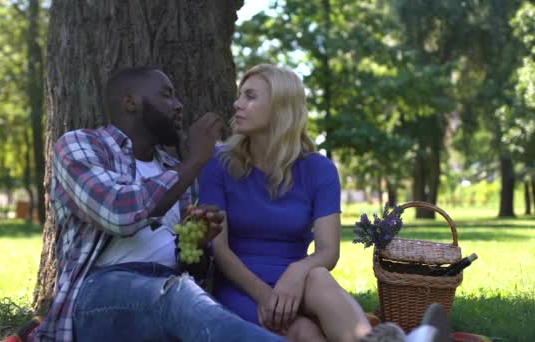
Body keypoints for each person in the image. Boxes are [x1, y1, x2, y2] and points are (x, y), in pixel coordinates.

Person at [32, 66, 287, 342]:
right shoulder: (81, 145)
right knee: (180, 297)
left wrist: (197, 244)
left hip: (170, 292)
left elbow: (193, 267)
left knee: (188, 298)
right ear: (130, 101)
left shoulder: (171, 169)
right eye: (167, 95)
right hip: (100, 294)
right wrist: (196, 160)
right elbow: (119, 213)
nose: (178, 105)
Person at [198, 64, 444, 342]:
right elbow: (219, 249)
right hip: (242, 287)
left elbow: (328, 251)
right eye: (240, 95)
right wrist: (265, 295)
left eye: (250, 97)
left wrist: (297, 270)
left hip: (299, 282)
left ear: (281, 106)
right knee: (305, 332)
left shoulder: (319, 169)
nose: (237, 104)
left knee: (319, 276)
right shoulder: (219, 165)